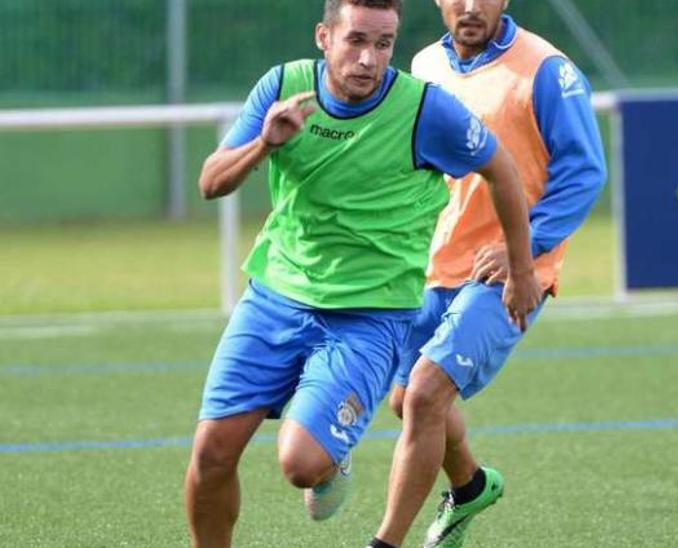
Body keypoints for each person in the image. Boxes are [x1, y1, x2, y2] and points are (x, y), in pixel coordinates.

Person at [183, 0, 541, 546]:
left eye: (384, 43)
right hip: (275, 298)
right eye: (356, 41)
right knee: (211, 455)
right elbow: (211, 182)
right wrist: (265, 143)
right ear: (324, 37)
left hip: (368, 317)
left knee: (301, 464)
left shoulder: (424, 110)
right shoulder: (283, 86)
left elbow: (502, 171)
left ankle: (330, 458)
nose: (369, 59)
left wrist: (521, 268)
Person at [367, 1, 606, 546]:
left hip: (512, 269)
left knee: (426, 394)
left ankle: (385, 542)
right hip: (435, 263)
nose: (470, 5)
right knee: (405, 401)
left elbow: (584, 171)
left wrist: (527, 249)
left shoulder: (547, 69)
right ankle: (470, 485)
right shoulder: (425, 65)